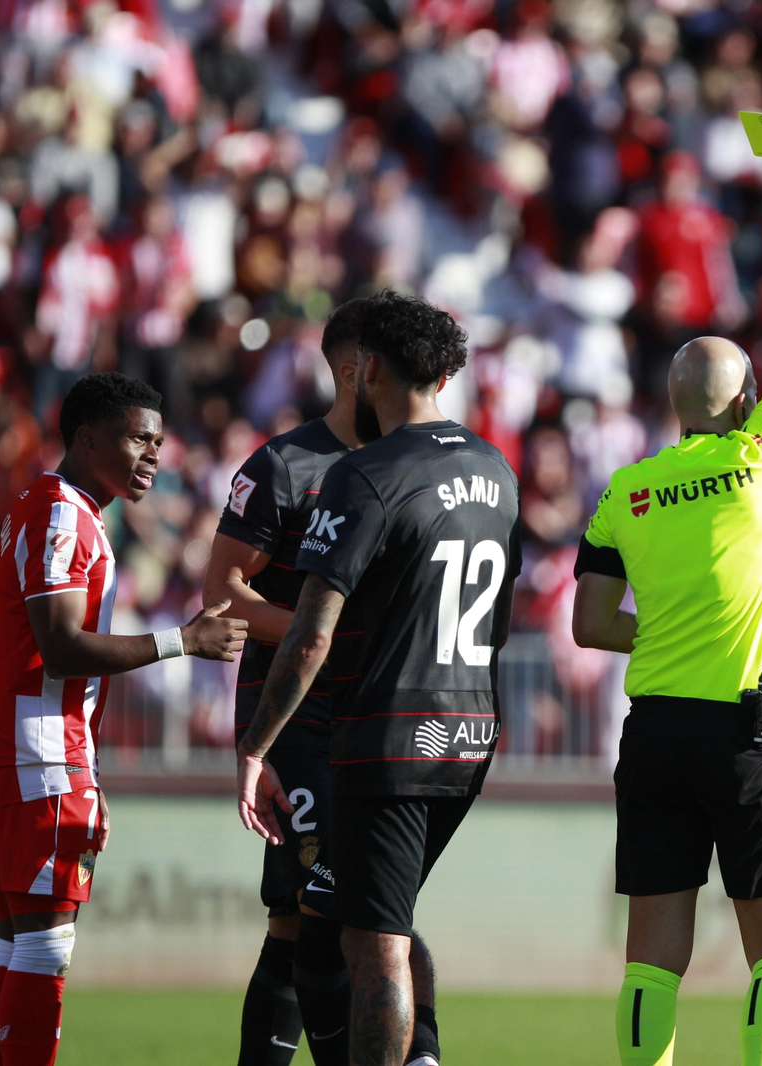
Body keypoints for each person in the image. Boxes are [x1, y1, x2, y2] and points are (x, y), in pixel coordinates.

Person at [569, 147, 762, 1066]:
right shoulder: (758, 456)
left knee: (652, 958)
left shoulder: (626, 489)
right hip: (748, 733)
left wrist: (667, 629)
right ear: (747, 401)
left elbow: (589, 625)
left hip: (655, 733)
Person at [235, 291, 520, 1066]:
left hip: (388, 739)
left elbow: (309, 635)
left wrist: (256, 746)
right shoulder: (495, 468)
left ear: (370, 375)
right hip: (469, 733)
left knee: (374, 941)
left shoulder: (365, 473)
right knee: (349, 916)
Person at [0, 373, 245, 1066]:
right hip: (36, 749)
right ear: (88, 437)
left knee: (14, 943)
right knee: (42, 947)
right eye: (137, 439)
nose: (153, 455)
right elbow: (61, 647)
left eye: (158, 442)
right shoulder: (63, 513)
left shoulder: (42, 502)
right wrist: (184, 640)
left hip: (5, 744)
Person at [205, 298, 444, 1066]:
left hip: (386, 724)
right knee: (309, 915)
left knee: (372, 912)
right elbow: (223, 595)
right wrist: (325, 631)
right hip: (300, 727)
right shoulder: (283, 465)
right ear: (355, 372)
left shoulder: (415, 467)